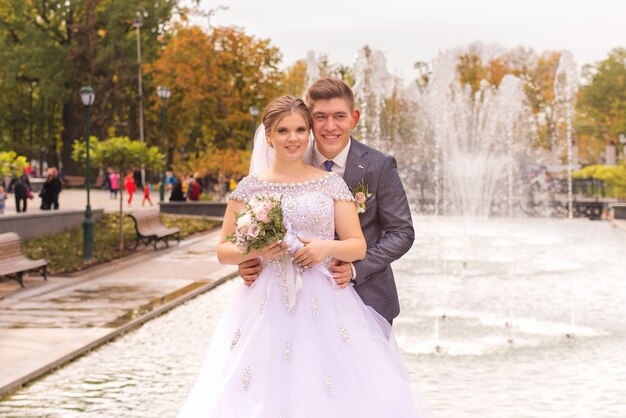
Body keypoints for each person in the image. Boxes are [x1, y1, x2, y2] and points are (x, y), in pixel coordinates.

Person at [177, 96, 429, 417]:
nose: (292, 138)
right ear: (268, 136)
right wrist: (257, 249)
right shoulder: (250, 188)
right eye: (283, 131)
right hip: (264, 303)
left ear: (308, 133)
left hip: (324, 297)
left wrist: (326, 248)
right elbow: (224, 250)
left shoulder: (330, 184)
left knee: (330, 388)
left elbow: (357, 245)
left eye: (299, 130)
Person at [239, 78, 414, 325]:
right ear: (309, 121)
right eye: (320, 117)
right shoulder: (291, 157)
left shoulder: (379, 166)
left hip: (366, 293)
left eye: (339, 116)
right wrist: (252, 262)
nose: (330, 126)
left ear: (354, 119)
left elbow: (402, 232)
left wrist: (355, 268)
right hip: (296, 301)